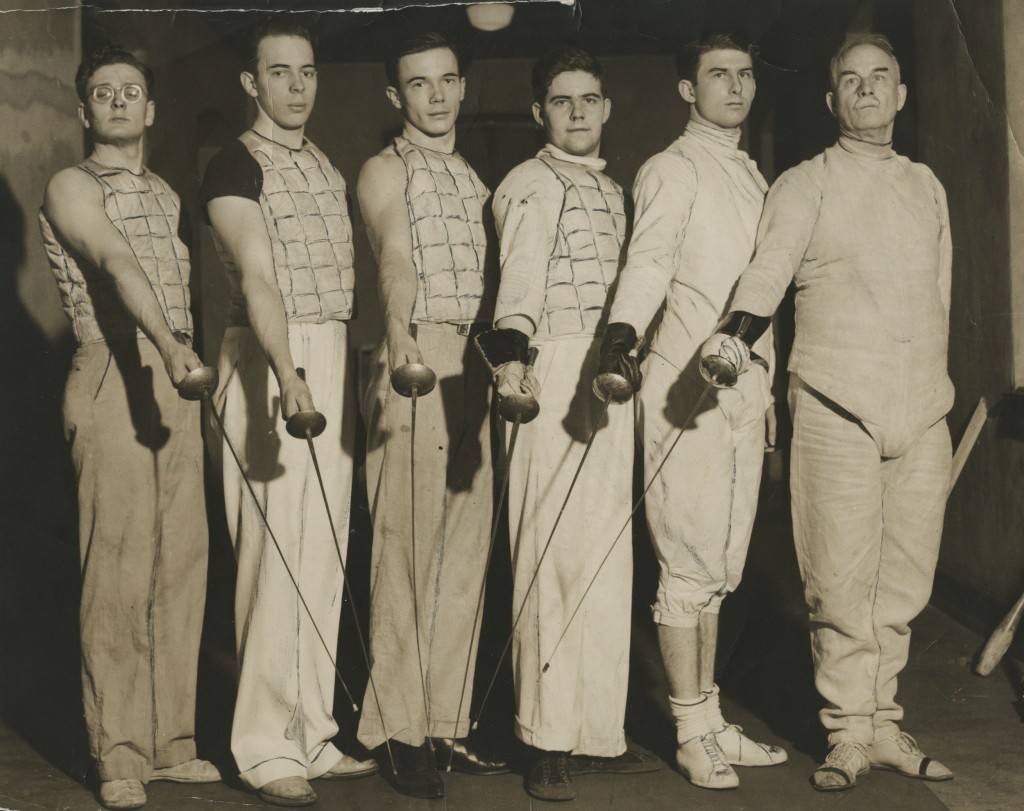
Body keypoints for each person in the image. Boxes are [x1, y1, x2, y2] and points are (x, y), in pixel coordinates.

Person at [700, 33, 954, 791]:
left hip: (920, 414)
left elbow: (939, 296)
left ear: (901, 95)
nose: (868, 91)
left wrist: (931, 394)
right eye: (852, 80)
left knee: (903, 586)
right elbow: (769, 270)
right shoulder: (805, 183)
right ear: (832, 99)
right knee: (840, 585)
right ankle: (846, 731)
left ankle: (882, 723)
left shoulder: (925, 185)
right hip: (835, 406)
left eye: (882, 79)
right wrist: (734, 338)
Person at [601, 33, 788, 790]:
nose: (736, 87)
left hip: (745, 395)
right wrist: (620, 338)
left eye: (745, 74)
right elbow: (647, 262)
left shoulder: (747, 171)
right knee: (686, 566)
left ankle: (710, 718)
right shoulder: (673, 168)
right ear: (688, 90)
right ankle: (687, 726)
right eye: (718, 75)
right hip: (687, 396)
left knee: (717, 572)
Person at [39, 45, 220, 810]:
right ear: (85, 111)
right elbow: (114, 259)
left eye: (132, 92)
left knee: (180, 562)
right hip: (116, 369)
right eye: (103, 92)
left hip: (177, 381)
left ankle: (170, 742)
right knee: (115, 570)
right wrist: (173, 345)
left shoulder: (169, 192)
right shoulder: (71, 185)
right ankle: (117, 751)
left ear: (150, 109)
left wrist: (187, 363)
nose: (118, 101)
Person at [479, 45, 661, 801]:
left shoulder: (615, 188)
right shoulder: (529, 181)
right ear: (539, 113)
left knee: (603, 556)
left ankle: (595, 730)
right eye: (562, 101)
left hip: (608, 375)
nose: (579, 112)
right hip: (548, 369)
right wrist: (514, 355)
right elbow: (519, 272)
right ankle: (546, 738)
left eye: (590, 98)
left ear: (607, 108)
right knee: (549, 556)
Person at [199, 19, 374, 807]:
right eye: (279, 72)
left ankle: (312, 727)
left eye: (306, 71)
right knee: (273, 554)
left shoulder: (325, 163)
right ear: (251, 83)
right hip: (272, 354)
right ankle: (262, 742)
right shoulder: (234, 163)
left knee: (323, 552)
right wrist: (287, 374)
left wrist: (326, 367)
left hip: (329, 348)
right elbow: (261, 277)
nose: (297, 86)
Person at [355, 30, 506, 800]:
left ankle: (446, 721)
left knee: (462, 554)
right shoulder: (386, 170)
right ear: (396, 97)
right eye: (420, 84)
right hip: (414, 357)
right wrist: (402, 330)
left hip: (471, 365)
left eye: (448, 81)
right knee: (404, 551)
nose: (438, 96)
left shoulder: (475, 176)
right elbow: (395, 253)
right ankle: (394, 728)